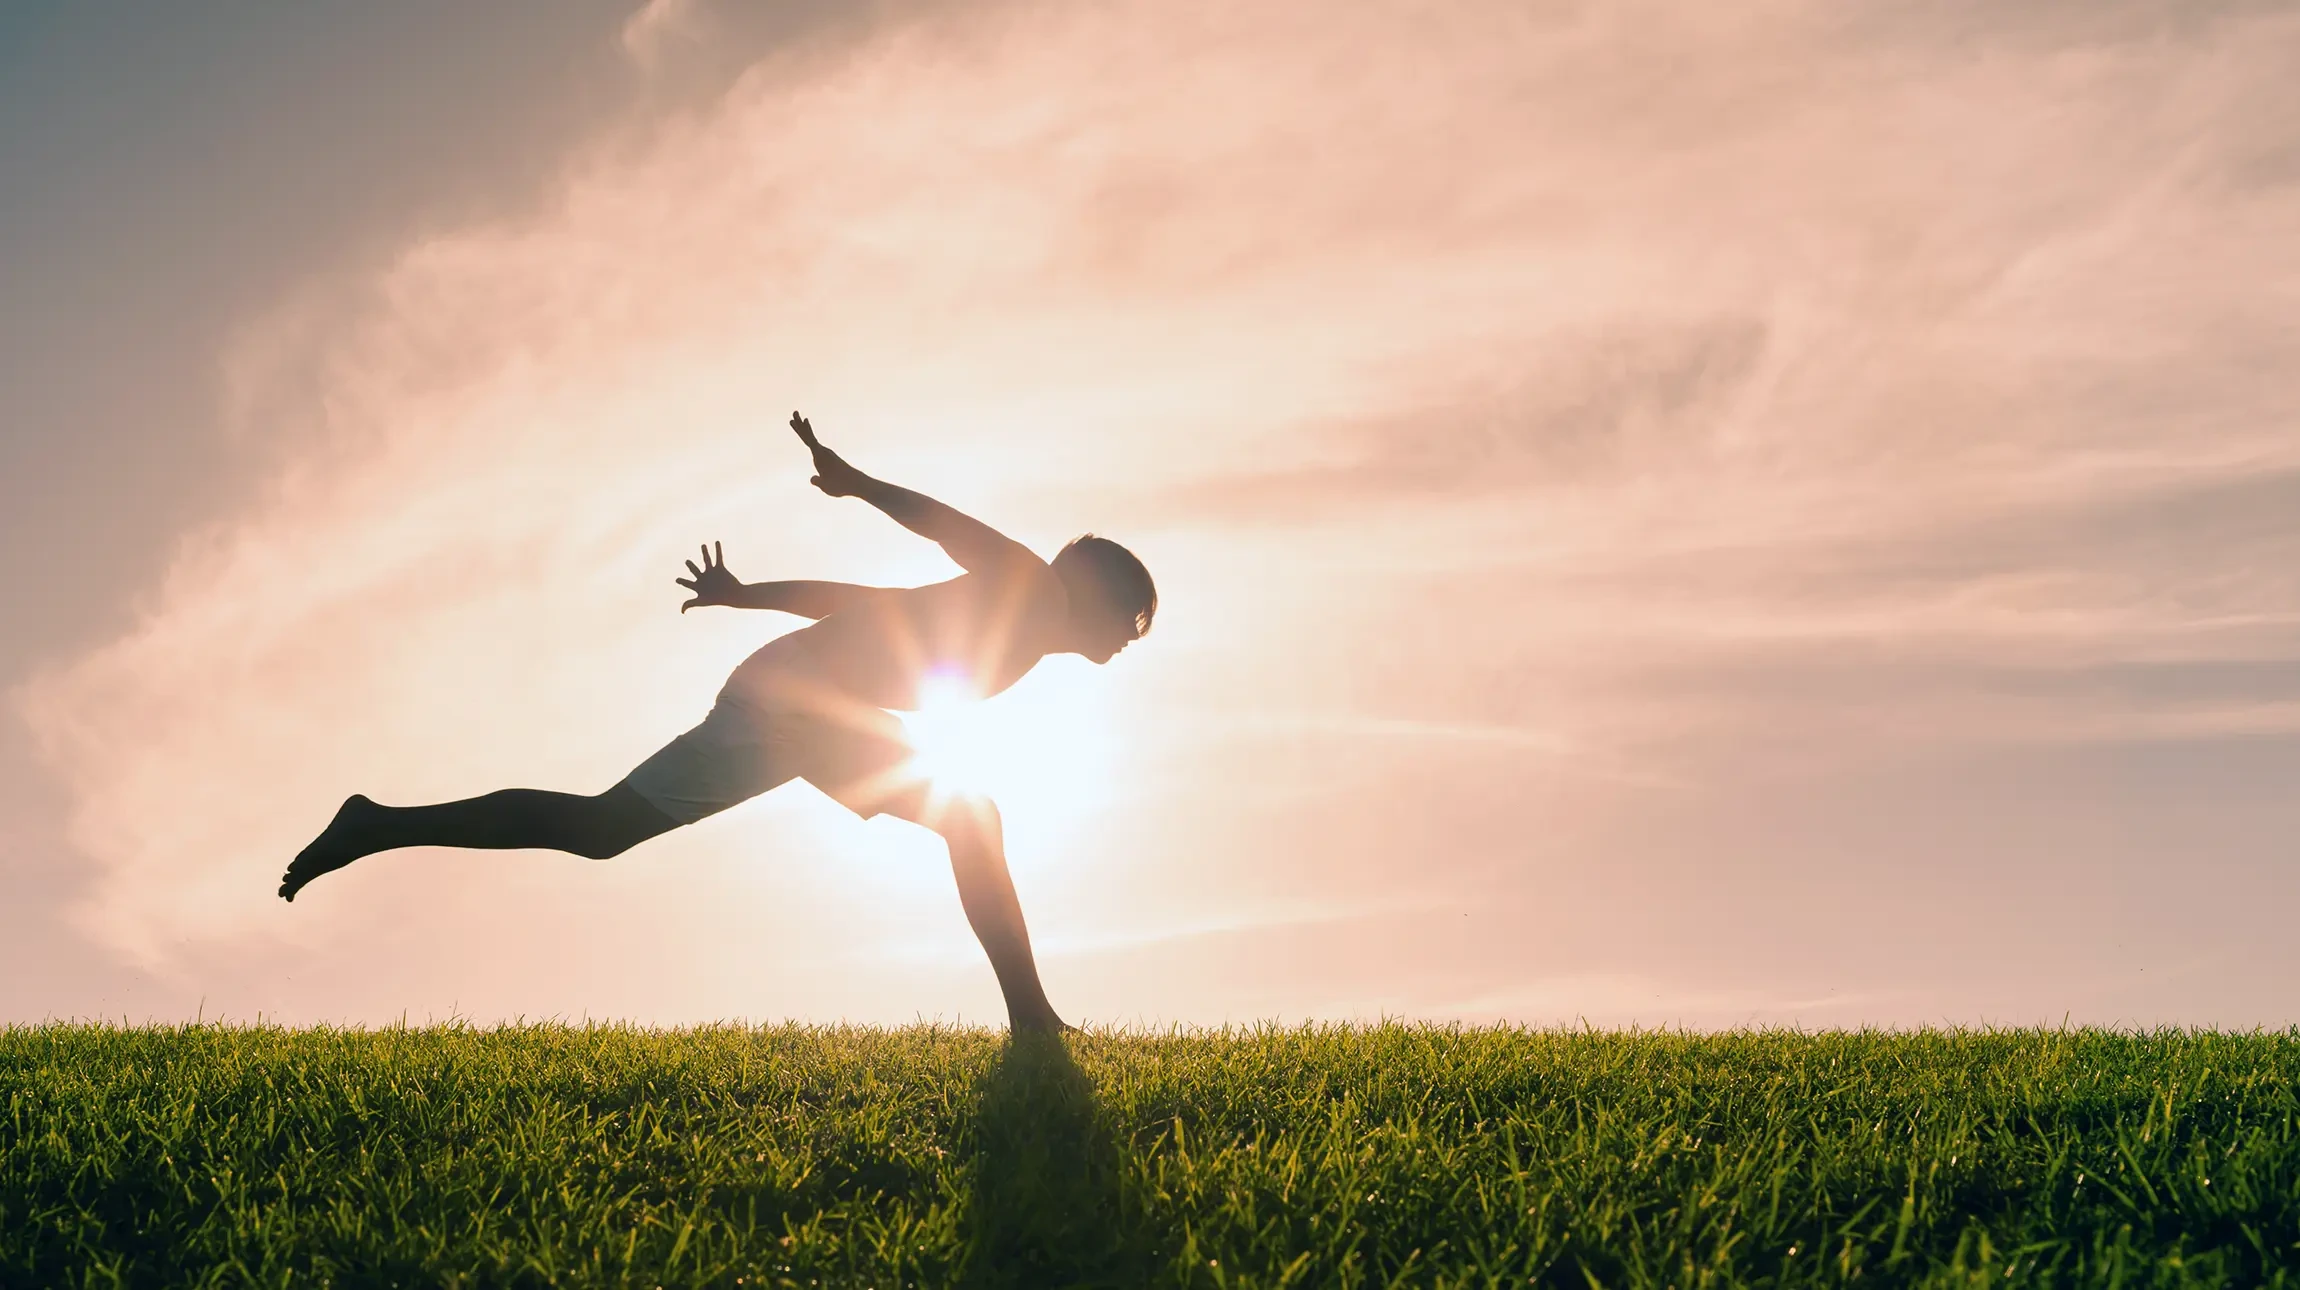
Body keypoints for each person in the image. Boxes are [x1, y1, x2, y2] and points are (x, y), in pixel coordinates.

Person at [278, 412, 1156, 1033]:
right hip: (799, 702)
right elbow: (945, 526)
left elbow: (857, 601)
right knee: (971, 816)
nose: (1128, 640)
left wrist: (745, 595)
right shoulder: (1035, 592)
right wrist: (856, 486)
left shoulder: (1016, 623)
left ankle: (376, 825)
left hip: (798, 699)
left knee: (601, 830)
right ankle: (1034, 1023)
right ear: (1099, 595)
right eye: (1132, 619)